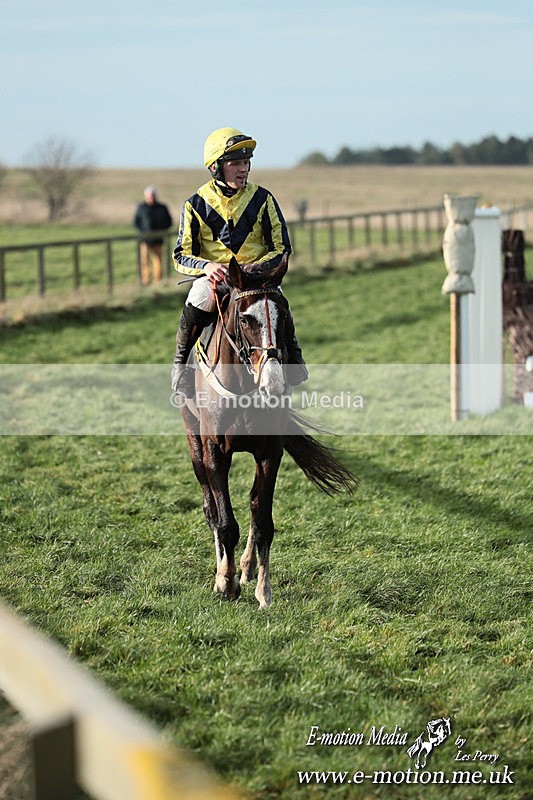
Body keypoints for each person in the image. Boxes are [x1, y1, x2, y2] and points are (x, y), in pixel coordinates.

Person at [171, 127, 307, 397]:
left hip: (255, 279)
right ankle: (180, 367)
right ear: (215, 167)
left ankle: (294, 358)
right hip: (216, 281)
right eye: (234, 163)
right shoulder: (195, 204)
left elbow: (281, 248)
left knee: (278, 302)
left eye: (245, 163)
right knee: (197, 299)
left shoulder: (263, 199)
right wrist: (207, 267)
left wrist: (255, 269)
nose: (242, 169)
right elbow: (180, 254)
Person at [133, 186, 173, 285]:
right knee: (144, 261)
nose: (151, 197)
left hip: (158, 239)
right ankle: (146, 280)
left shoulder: (162, 208)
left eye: (152, 195)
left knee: (158, 260)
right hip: (145, 239)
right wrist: (142, 232)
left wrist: (161, 231)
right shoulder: (141, 207)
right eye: (149, 196)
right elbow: (136, 222)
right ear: (145, 196)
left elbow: (169, 222)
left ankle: (158, 280)